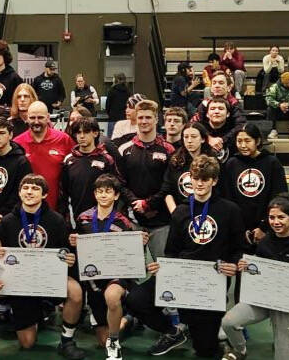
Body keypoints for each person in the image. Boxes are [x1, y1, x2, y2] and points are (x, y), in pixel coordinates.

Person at [126, 155, 246, 358]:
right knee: (136, 300)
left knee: (204, 350)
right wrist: (163, 266)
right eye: (196, 178)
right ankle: (173, 331)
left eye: (205, 179)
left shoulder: (229, 210)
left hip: (211, 281)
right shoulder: (181, 212)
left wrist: (233, 265)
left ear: (214, 181)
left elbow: (239, 248)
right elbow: (172, 250)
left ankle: (214, 344)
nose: (199, 183)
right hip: (181, 276)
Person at [220, 194, 289, 360]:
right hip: (262, 299)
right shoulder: (265, 242)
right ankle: (240, 350)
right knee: (229, 322)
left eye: (281, 217)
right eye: (272, 217)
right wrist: (246, 266)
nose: (276, 222)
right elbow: (257, 267)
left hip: (287, 305)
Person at [0, 174, 86, 360]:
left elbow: (65, 252)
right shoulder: (7, 222)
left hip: (48, 277)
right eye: (25, 188)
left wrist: (69, 259)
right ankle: (38, 312)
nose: (29, 192)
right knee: (27, 344)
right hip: (21, 282)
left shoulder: (57, 220)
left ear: (44, 194)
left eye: (35, 189)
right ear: (19, 192)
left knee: (75, 292)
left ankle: (66, 340)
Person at [70, 174, 147, 360]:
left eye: (108, 191)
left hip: (117, 275)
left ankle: (114, 342)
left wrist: (141, 243)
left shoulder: (124, 222)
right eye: (99, 191)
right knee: (101, 340)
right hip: (93, 278)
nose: (103, 195)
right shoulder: (83, 218)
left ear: (116, 196)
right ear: (94, 194)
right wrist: (73, 242)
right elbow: (77, 250)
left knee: (112, 297)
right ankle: (128, 320)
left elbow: (133, 256)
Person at [117, 99, 175, 257]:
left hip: (162, 222)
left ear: (156, 119)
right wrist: (136, 203)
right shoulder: (124, 149)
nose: (144, 121)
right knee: (131, 272)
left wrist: (148, 204)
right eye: (140, 117)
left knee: (163, 270)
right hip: (133, 220)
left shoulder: (168, 149)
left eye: (148, 117)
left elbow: (169, 185)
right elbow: (120, 183)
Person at [223, 124, 288, 246]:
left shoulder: (271, 163)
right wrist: (238, 228)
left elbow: (280, 197)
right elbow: (228, 198)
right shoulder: (231, 164)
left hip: (266, 228)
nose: (243, 145)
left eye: (248, 141)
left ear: (257, 141)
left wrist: (264, 227)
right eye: (239, 141)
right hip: (239, 228)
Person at [13, 101, 75, 210]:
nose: (36, 122)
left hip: (57, 207)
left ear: (47, 118)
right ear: (27, 118)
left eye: (40, 117)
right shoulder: (17, 143)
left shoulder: (63, 139)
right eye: (32, 118)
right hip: (25, 208)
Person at [59, 118, 122, 223]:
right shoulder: (68, 160)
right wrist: (66, 219)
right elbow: (63, 194)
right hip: (78, 218)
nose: (82, 136)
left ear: (95, 133)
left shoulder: (107, 160)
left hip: (105, 220)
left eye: (86, 132)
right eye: (78, 132)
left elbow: (117, 189)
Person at [161, 122, 217, 214]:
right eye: (186, 137)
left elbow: (220, 191)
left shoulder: (212, 161)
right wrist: (175, 214)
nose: (189, 141)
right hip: (182, 211)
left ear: (202, 139)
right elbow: (167, 191)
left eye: (194, 136)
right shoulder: (175, 160)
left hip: (208, 211)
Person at [265, 72, 289, 139]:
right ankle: (273, 130)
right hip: (278, 110)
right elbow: (269, 99)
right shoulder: (274, 87)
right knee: (270, 108)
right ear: (284, 83)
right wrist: (279, 105)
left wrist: (288, 104)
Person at [202, 97, 240, 162]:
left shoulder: (235, 131)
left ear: (228, 114)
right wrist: (208, 138)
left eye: (221, 109)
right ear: (207, 114)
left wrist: (222, 140)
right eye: (212, 109)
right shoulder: (199, 130)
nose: (216, 112)